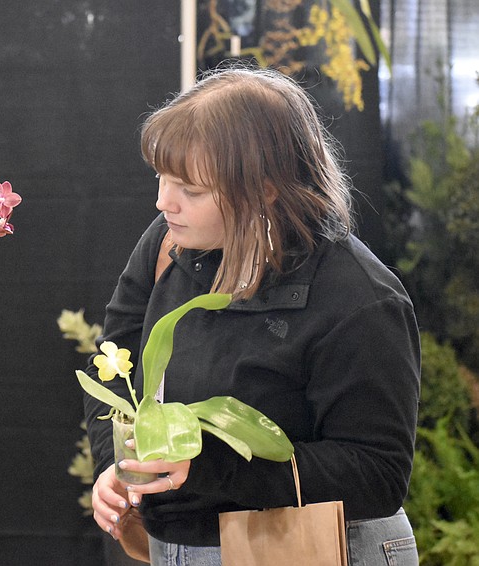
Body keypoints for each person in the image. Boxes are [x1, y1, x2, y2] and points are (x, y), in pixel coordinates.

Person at [83, 66, 420, 566]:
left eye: (191, 190)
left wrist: (207, 466)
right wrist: (119, 466)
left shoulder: (359, 300)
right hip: (178, 546)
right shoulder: (168, 241)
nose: (163, 202)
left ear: (265, 190)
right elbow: (112, 366)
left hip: (310, 548)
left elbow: (376, 474)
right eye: (162, 177)